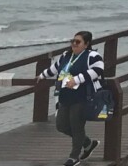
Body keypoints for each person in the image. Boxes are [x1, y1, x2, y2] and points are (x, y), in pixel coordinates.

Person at [38, 30, 104, 165]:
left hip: (82, 97)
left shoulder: (92, 56)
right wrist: (42, 75)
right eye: (72, 41)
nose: (74, 44)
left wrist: (77, 79)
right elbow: (55, 68)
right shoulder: (66, 55)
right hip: (65, 96)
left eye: (78, 42)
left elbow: (98, 71)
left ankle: (74, 157)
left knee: (76, 126)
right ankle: (88, 143)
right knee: (61, 125)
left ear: (86, 44)